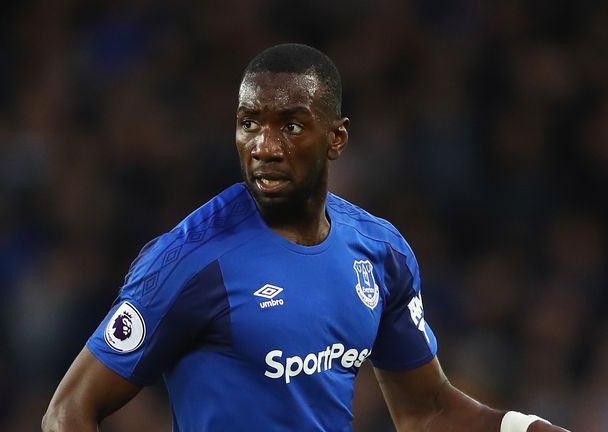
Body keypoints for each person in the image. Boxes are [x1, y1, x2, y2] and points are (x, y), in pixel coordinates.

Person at [42, 43, 569, 432]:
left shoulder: (378, 251)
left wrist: (523, 428)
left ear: (336, 138)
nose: (264, 146)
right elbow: (69, 410)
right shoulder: (190, 259)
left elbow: (426, 410)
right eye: (250, 123)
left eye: (291, 126)